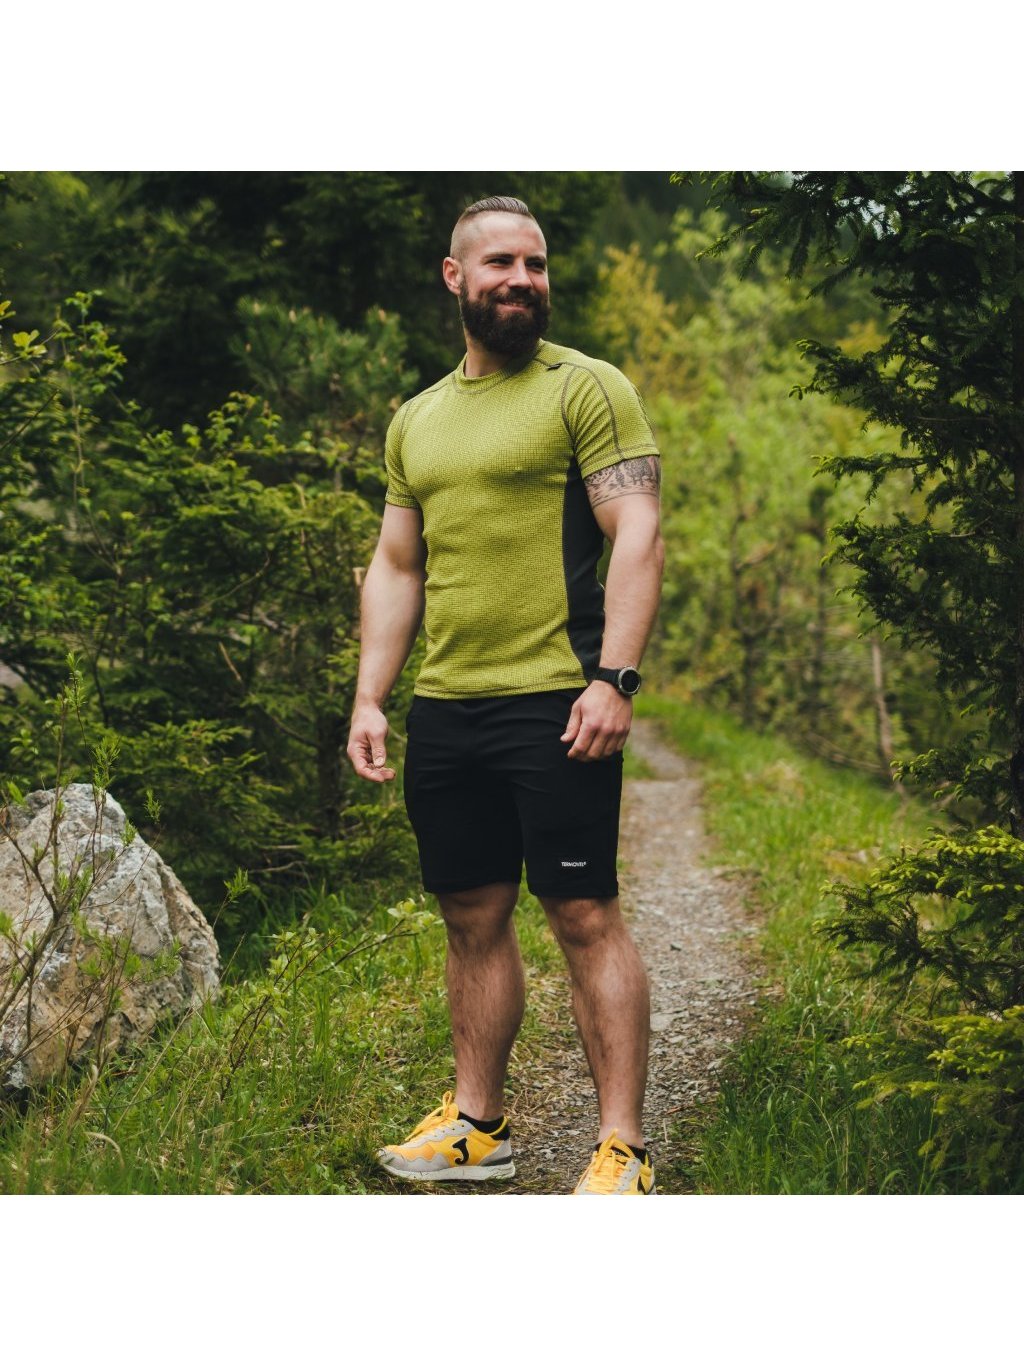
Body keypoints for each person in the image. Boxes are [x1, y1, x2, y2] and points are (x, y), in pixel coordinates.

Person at [346, 195, 664, 1195]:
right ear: (456, 278)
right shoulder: (417, 419)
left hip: (557, 697)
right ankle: (479, 1127)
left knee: (582, 912)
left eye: (535, 263)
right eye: (500, 263)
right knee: (471, 912)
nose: (522, 279)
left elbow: (638, 531)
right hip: (448, 704)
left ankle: (623, 1148)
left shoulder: (587, 388)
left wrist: (614, 678)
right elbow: (397, 564)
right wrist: (370, 697)